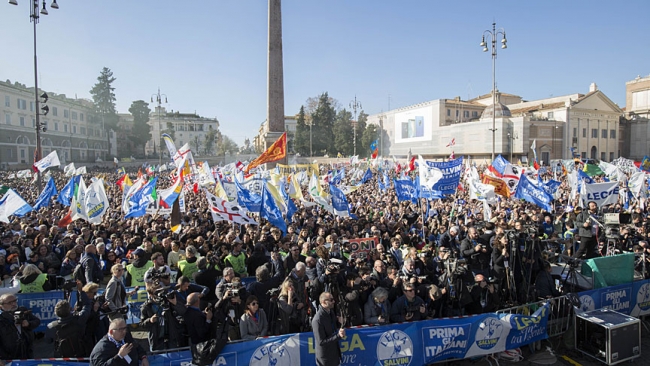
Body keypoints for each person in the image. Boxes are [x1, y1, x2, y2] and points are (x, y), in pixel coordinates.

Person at [47, 286, 94, 357]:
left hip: (62, 358)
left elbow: (48, 340)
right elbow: (87, 305)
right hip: (81, 355)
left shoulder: (52, 326)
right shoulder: (79, 319)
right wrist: (81, 291)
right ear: (70, 309)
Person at [0, 293, 41, 361]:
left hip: (26, 351)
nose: (13, 304)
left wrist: (28, 324)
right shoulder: (1, 318)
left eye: (15, 301)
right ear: (1, 306)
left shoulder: (23, 310)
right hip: (8, 355)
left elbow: (37, 321)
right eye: (10, 303)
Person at [312, 292, 345, 366]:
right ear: (324, 302)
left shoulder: (330, 313)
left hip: (334, 354)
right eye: (331, 300)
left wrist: (338, 321)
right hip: (326, 359)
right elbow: (321, 341)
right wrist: (338, 336)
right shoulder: (317, 320)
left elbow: (332, 326)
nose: (333, 301)